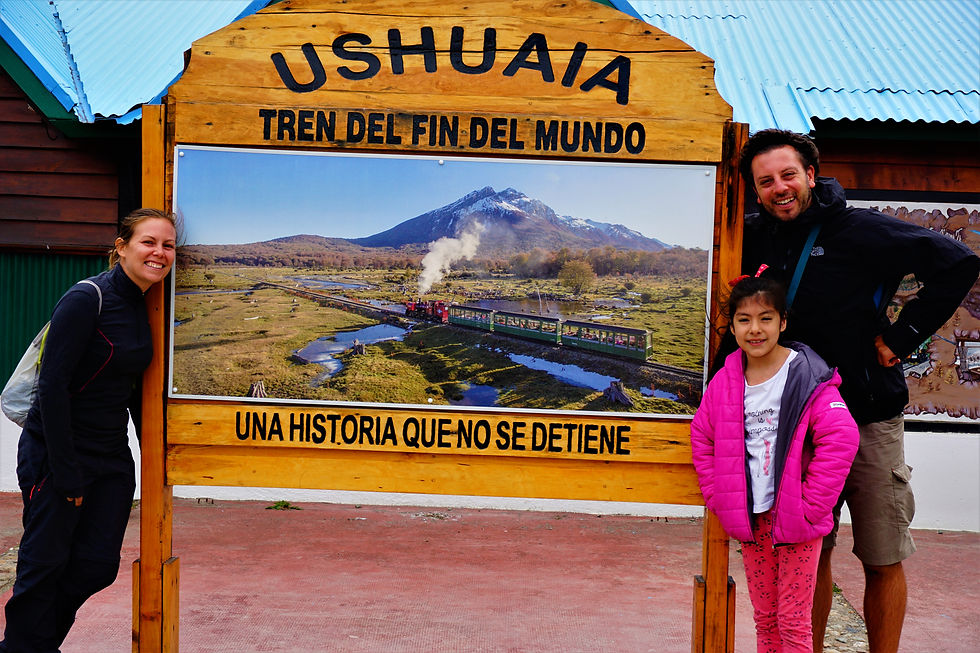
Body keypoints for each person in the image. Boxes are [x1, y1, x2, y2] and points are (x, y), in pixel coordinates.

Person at [735, 129, 980, 652]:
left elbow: (958, 263)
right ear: (755, 190)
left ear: (810, 175)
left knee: (881, 555)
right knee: (807, 554)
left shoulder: (861, 229)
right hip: (796, 426)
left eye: (788, 175)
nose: (779, 188)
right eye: (766, 181)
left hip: (869, 416)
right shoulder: (751, 236)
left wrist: (902, 337)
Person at [0, 208, 177, 652]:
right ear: (121, 247)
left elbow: (133, 389)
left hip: (111, 457)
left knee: (97, 566)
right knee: (44, 566)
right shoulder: (86, 299)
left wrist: (153, 456)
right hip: (58, 453)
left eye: (168, 245)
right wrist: (66, 473)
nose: (159, 253)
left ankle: (33, 644)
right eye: (148, 242)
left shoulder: (146, 304)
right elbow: (52, 387)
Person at [692, 274, 859, 652]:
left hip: (797, 519)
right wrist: (719, 497)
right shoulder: (725, 382)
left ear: (783, 322)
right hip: (753, 519)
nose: (755, 329)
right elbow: (702, 436)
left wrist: (811, 504)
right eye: (744, 319)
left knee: (794, 621)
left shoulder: (807, 375)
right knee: (765, 618)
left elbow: (842, 437)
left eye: (765, 318)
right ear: (733, 326)